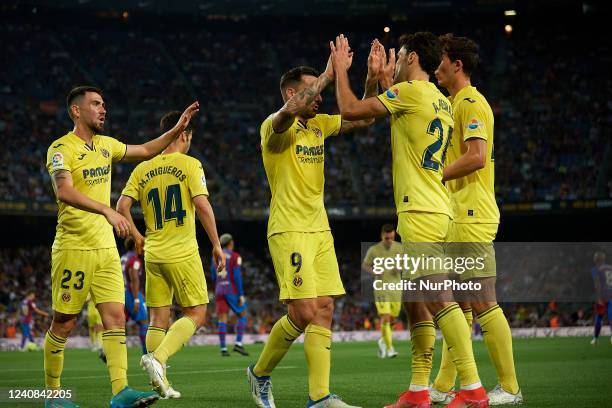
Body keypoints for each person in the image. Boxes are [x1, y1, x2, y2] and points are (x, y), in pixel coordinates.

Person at [331, 33, 488, 408]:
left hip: (419, 210)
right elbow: (396, 108)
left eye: (399, 56)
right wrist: (383, 80)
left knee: (436, 298)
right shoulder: (438, 99)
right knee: (417, 303)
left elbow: (351, 109)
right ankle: (418, 390)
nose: (395, 62)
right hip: (437, 208)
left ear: (412, 56)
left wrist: (341, 71)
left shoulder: (413, 94)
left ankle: (473, 388)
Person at [45, 85, 198, 408]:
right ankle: (52, 396)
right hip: (73, 247)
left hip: (105, 249)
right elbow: (64, 192)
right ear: (77, 110)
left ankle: (120, 392)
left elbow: (144, 149)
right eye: (96, 104)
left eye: (104, 104)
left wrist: (176, 128)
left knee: (115, 319)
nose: (103, 109)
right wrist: (107, 210)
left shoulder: (106, 146)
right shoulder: (61, 149)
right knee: (64, 321)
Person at [247, 45, 378, 408]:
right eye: (314, 91)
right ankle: (259, 374)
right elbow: (286, 114)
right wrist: (328, 74)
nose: (320, 98)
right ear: (293, 93)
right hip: (288, 229)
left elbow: (364, 116)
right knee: (303, 312)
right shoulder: (274, 127)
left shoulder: (319, 125)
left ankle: (320, 396)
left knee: (324, 309)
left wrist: (367, 78)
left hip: (320, 229)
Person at [429, 33, 522, 406]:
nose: (436, 68)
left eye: (441, 62)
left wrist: (433, 177)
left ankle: (511, 387)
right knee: (462, 307)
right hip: (458, 212)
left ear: (457, 65)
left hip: (471, 213)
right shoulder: (456, 102)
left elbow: (477, 156)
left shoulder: (469, 101)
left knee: (482, 302)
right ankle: (441, 385)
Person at [117, 110, 225, 400]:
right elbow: (202, 206)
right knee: (197, 312)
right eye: (190, 136)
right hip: (182, 251)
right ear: (184, 135)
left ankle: (160, 385)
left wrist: (138, 237)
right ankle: (158, 359)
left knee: (157, 319)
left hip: (153, 253)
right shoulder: (190, 164)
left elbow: (121, 206)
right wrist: (216, 243)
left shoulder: (142, 169)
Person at [362, 224, 404, 359]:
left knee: (392, 319)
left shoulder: (400, 248)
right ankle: (390, 348)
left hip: (396, 287)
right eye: (386, 237)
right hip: (381, 287)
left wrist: (401, 267)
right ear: (382, 235)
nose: (389, 239)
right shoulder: (374, 250)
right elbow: (365, 265)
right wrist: (374, 271)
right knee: (385, 317)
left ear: (394, 235)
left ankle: (382, 341)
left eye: (391, 237)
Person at [211, 233, 249, 356]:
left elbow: (213, 275)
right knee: (242, 314)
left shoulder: (215, 257)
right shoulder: (235, 256)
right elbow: (237, 276)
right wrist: (241, 294)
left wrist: (217, 286)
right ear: (231, 243)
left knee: (222, 319)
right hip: (231, 290)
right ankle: (238, 343)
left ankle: (223, 349)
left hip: (219, 290)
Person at [121, 237, 149, 355]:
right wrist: (136, 298)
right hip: (131, 293)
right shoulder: (135, 260)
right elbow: (134, 278)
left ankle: (108, 352)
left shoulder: (123, 258)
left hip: (121, 292)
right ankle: (147, 354)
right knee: (143, 322)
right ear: (135, 245)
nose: (143, 247)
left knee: (120, 325)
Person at [591, 251, 612, 345]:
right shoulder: (610, 268)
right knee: (611, 316)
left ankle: (595, 339)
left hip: (603, 295)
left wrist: (599, 297)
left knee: (599, 316)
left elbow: (597, 284)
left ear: (596, 259)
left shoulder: (595, 269)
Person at [85, 294, 106, 363]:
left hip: (98, 309)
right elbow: (86, 300)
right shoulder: (88, 290)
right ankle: (93, 344)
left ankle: (99, 344)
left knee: (99, 327)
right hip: (90, 310)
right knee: (92, 328)